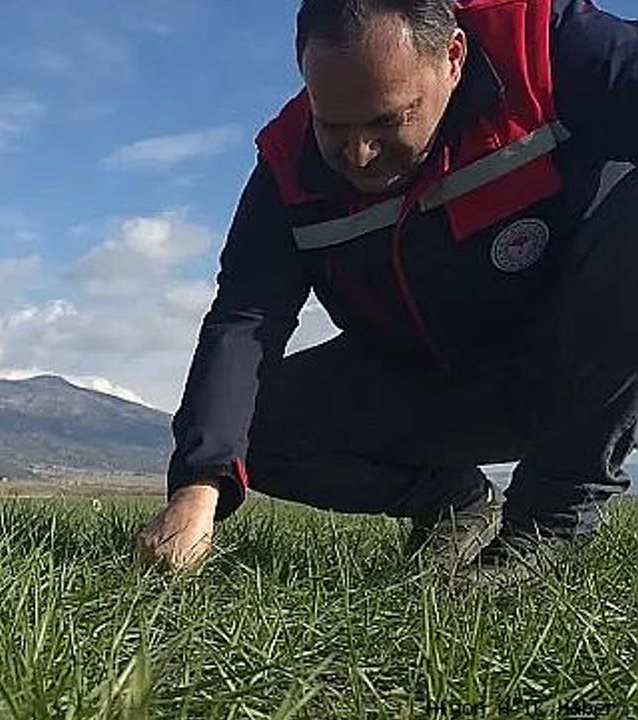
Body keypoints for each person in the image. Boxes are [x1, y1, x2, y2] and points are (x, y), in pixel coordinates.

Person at [138, 0, 638, 573]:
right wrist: (198, 487)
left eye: (387, 120)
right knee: (249, 428)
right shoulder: (287, 165)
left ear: (453, 57)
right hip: (432, 384)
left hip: (588, 369)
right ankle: (451, 502)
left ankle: (548, 526)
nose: (358, 154)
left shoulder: (545, 51)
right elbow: (245, 318)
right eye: (332, 126)